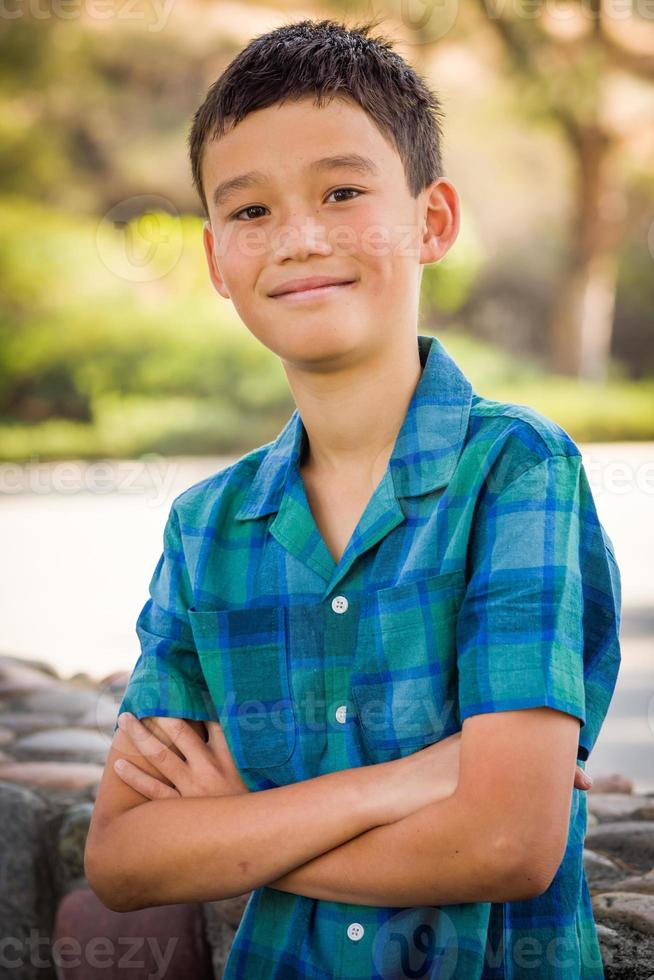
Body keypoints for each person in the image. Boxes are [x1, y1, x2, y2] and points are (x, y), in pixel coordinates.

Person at [85, 18, 621, 979]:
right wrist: (410, 783)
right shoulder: (205, 528)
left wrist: (241, 817)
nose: (298, 237)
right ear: (215, 261)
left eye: (342, 191)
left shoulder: (515, 471)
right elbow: (123, 860)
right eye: (249, 212)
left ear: (433, 221)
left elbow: (505, 843)